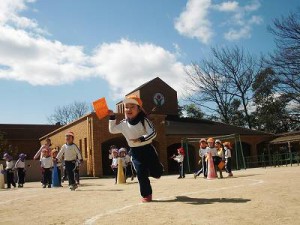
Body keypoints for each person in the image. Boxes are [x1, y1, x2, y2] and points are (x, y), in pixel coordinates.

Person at [108, 95, 164, 203]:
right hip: (135, 152)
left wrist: (141, 139)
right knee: (140, 173)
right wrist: (111, 117)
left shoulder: (144, 121)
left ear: (138, 108)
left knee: (157, 173)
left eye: (132, 106)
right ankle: (146, 195)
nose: (128, 109)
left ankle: (157, 169)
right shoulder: (124, 123)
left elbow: (153, 133)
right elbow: (112, 130)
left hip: (148, 149)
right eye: (126, 107)